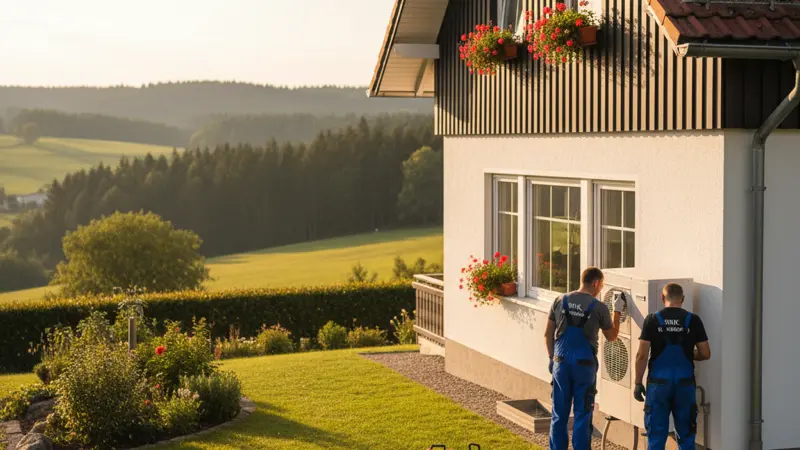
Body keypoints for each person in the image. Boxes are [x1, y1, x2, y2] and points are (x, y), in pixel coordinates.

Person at [545, 267, 624, 450]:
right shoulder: (598, 307)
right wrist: (617, 311)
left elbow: (548, 333)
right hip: (584, 366)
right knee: (582, 413)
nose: (600, 289)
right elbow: (612, 336)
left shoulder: (559, 300)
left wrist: (551, 358)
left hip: (560, 363)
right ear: (596, 283)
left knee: (559, 413)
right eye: (601, 285)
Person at [633, 282, 711, 450]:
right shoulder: (693, 320)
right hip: (685, 384)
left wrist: (638, 383)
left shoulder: (652, 320)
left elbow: (641, 355)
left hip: (658, 385)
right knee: (686, 435)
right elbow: (705, 353)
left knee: (656, 435)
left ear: (663, 297)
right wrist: (690, 354)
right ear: (682, 299)